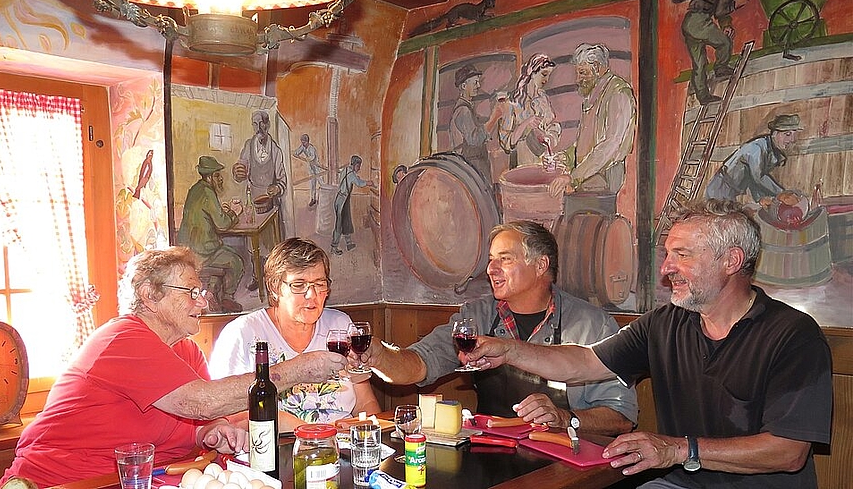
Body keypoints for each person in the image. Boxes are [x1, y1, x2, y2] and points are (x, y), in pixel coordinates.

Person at [464, 199, 833, 487]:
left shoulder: (793, 335)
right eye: (668, 254)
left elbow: (788, 452)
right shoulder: (665, 322)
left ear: (731, 261)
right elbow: (583, 363)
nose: (666, 268)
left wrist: (676, 449)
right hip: (676, 484)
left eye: (682, 255)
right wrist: (508, 349)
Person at [0, 247, 346, 487]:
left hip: (151, 478)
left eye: (202, 290)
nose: (204, 300)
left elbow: (198, 419)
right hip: (68, 481)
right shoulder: (121, 339)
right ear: (150, 295)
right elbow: (202, 402)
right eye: (191, 291)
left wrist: (210, 432)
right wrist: (299, 369)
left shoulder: (186, 351)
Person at [354, 220, 637, 436]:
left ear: (540, 265)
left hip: (564, 461)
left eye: (505, 258)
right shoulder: (477, 315)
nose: (491, 268)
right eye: (491, 259)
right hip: (491, 449)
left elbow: (621, 416)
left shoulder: (593, 325)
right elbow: (418, 364)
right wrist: (380, 356)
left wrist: (566, 418)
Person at [210, 238, 381, 428]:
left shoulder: (341, 326)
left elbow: (366, 403)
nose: (312, 295)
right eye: (299, 285)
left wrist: (361, 430)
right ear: (275, 288)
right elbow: (229, 418)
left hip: (341, 447)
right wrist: (310, 432)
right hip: (274, 447)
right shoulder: (242, 334)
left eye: (319, 283)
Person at [547, 43, 636, 215]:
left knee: (591, 230)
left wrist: (573, 177)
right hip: (586, 179)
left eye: (583, 72)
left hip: (603, 182)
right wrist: (564, 156)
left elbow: (609, 146)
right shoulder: (593, 95)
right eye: (578, 73)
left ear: (598, 68)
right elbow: (584, 142)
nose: (578, 79)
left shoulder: (618, 93)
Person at [177, 155, 245, 311]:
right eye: (217, 175)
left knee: (224, 256)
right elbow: (222, 224)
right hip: (203, 252)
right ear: (209, 177)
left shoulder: (196, 189)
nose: (220, 179)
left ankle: (212, 296)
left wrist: (223, 211)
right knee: (236, 262)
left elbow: (209, 214)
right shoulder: (208, 192)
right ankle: (228, 298)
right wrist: (235, 213)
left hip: (190, 248)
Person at [233, 110, 288, 291]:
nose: (259, 128)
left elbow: (282, 181)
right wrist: (238, 173)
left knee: (271, 244)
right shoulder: (248, 146)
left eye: (262, 123)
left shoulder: (276, 151)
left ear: (268, 124)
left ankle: (272, 280)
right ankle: (257, 276)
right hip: (253, 201)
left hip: (270, 204)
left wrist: (276, 188)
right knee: (253, 244)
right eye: (255, 124)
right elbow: (241, 171)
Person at [705, 113, 802, 205]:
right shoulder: (756, 148)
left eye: (794, 135)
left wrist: (760, 199)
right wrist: (782, 193)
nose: (792, 140)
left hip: (731, 191)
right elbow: (758, 177)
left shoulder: (772, 152)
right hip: (720, 188)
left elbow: (753, 178)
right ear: (775, 134)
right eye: (787, 134)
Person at [678, 0, 752, 104]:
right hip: (699, 21)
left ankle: (703, 96)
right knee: (724, 42)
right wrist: (735, 5)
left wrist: (726, 25)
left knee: (699, 64)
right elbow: (720, 11)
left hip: (689, 22)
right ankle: (721, 68)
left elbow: (720, 9)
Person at [497, 53, 562, 170]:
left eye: (548, 76)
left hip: (542, 161)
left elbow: (553, 126)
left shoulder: (543, 98)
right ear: (532, 73)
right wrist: (526, 123)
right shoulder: (512, 103)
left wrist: (549, 138)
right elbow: (506, 143)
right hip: (521, 163)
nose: (546, 80)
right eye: (544, 74)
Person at [449, 64, 501, 187]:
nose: (478, 86)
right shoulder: (463, 111)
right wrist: (495, 117)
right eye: (475, 82)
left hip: (473, 166)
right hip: (471, 166)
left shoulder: (468, 109)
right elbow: (475, 139)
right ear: (463, 86)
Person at [331, 155, 375, 255]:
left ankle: (349, 243)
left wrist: (356, 177)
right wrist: (368, 183)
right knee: (339, 224)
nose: (359, 168)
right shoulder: (351, 174)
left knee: (346, 221)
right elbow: (359, 183)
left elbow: (349, 178)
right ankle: (334, 247)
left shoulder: (345, 170)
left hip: (340, 199)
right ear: (355, 164)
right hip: (343, 201)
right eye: (359, 165)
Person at [292, 133, 326, 208]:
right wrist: (295, 153)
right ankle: (313, 199)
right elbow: (297, 151)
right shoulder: (303, 147)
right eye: (302, 142)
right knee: (312, 184)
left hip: (317, 167)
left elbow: (312, 157)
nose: (303, 143)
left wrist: (307, 159)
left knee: (321, 183)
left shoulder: (311, 148)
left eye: (304, 142)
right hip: (311, 168)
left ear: (307, 141)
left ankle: (325, 198)